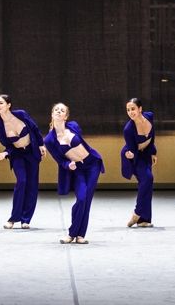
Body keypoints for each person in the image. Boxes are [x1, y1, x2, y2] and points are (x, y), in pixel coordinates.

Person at [43, 102, 104, 244]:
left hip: (92, 164)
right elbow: (59, 160)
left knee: (86, 201)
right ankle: (72, 233)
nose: (59, 111)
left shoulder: (74, 126)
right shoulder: (49, 140)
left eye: (62, 110)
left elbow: (82, 144)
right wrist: (67, 164)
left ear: (66, 116)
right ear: (52, 115)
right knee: (81, 199)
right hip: (77, 170)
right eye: (56, 110)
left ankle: (80, 235)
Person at [0, 94, 46, 229]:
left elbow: (34, 129)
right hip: (17, 155)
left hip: (31, 152)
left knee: (32, 185)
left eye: (1, 103)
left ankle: (26, 219)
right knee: (22, 181)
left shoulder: (21, 114)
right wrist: (5, 153)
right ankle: (13, 218)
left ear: (8, 105)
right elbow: (8, 146)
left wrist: (41, 144)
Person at [121, 98, 157, 228]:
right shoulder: (128, 129)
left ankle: (144, 220)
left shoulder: (149, 116)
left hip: (146, 153)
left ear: (140, 109)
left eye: (133, 109)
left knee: (147, 183)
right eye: (128, 110)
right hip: (134, 156)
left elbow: (152, 135)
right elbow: (131, 149)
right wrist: (130, 154)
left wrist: (153, 151)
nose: (130, 112)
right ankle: (137, 212)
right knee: (147, 178)